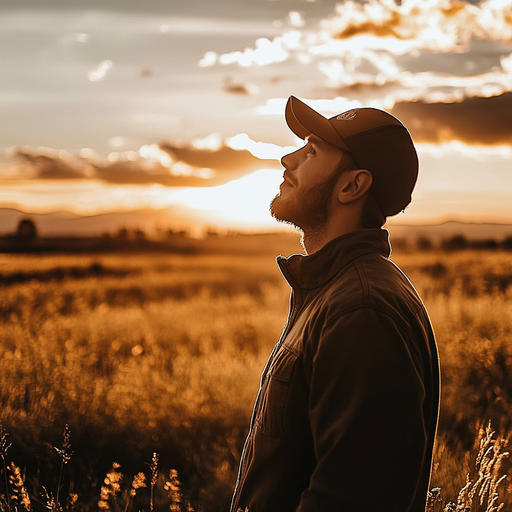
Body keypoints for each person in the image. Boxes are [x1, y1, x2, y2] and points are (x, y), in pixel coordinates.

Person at [230, 96, 440, 512]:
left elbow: (353, 497)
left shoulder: (362, 311)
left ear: (351, 186)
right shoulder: (333, 292)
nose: (287, 159)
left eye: (311, 151)